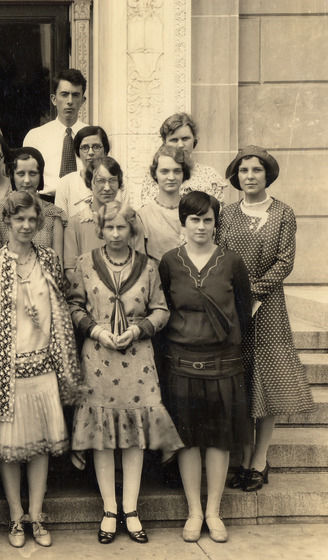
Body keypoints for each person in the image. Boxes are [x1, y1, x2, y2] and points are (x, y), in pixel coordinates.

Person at [68, 200, 183, 546]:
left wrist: (137, 330)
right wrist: (96, 330)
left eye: (122, 227)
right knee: (102, 435)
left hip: (138, 356)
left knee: (134, 433)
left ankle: (130, 510)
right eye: (109, 227)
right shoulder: (85, 263)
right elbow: (73, 305)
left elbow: (161, 309)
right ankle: (108, 507)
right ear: (99, 229)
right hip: (98, 355)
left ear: (133, 230)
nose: (115, 234)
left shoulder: (149, 267)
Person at [0, 191, 83, 549]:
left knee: (37, 446)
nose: (25, 225)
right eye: (18, 219)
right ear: (6, 222)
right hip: (7, 368)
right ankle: (15, 517)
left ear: (39, 224)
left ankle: (37, 515)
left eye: (31, 220)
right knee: (10, 448)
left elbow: (59, 310)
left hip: (43, 366)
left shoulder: (50, 260)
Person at [217, 145, 315, 492]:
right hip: (232, 305)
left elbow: (285, 261)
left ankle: (260, 459)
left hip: (269, 306)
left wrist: (255, 293)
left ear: (267, 174)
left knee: (268, 379)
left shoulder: (283, 213)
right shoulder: (226, 214)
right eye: (244, 171)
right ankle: (244, 458)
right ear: (236, 176)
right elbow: (219, 256)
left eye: (256, 170)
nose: (250, 177)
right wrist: (234, 297)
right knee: (242, 380)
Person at [159, 191, 254, 543]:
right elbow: (164, 310)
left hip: (223, 364)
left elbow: (243, 312)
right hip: (180, 364)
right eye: (194, 219)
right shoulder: (169, 261)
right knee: (186, 440)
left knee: (218, 440)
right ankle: (193, 511)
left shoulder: (232, 262)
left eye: (208, 219)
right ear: (183, 222)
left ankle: (213, 511)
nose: (201, 226)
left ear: (216, 222)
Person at [63, 156, 144, 283]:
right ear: (90, 182)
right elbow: (71, 271)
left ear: (119, 183)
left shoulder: (132, 219)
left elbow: (139, 264)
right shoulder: (75, 224)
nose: (107, 188)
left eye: (112, 180)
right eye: (101, 181)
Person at [0, 147, 65, 259]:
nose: (27, 180)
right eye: (21, 173)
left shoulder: (54, 214)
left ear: (40, 175)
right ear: (12, 175)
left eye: (32, 173)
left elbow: (57, 265)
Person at [23, 68, 88, 198]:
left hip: (84, 203)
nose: (70, 101)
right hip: (46, 203)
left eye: (75, 95)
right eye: (64, 94)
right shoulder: (35, 136)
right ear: (53, 99)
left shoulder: (91, 137)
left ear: (82, 101)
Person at [139, 113, 228, 206]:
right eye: (174, 140)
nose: (180, 145)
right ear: (165, 142)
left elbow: (217, 214)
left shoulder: (210, 175)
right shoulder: (155, 176)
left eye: (185, 139)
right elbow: (149, 212)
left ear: (194, 139)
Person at [137, 145, 191, 261]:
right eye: (164, 171)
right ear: (155, 174)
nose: (171, 177)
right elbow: (139, 262)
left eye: (177, 171)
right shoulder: (143, 215)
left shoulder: (194, 210)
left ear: (183, 174)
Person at [53, 126, 110, 219]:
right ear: (78, 152)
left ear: (105, 150)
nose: (91, 152)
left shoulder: (118, 182)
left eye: (96, 147)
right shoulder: (65, 184)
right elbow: (61, 224)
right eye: (85, 147)